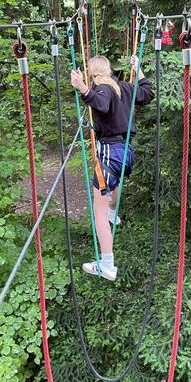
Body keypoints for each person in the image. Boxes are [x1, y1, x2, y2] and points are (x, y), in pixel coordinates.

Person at [70, 55, 153, 282]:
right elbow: (147, 93)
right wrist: (139, 70)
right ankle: (113, 213)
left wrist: (83, 88)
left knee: (97, 212)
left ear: (92, 73)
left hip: (110, 151)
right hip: (126, 153)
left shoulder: (103, 87)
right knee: (111, 191)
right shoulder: (124, 86)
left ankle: (107, 264)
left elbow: (102, 104)